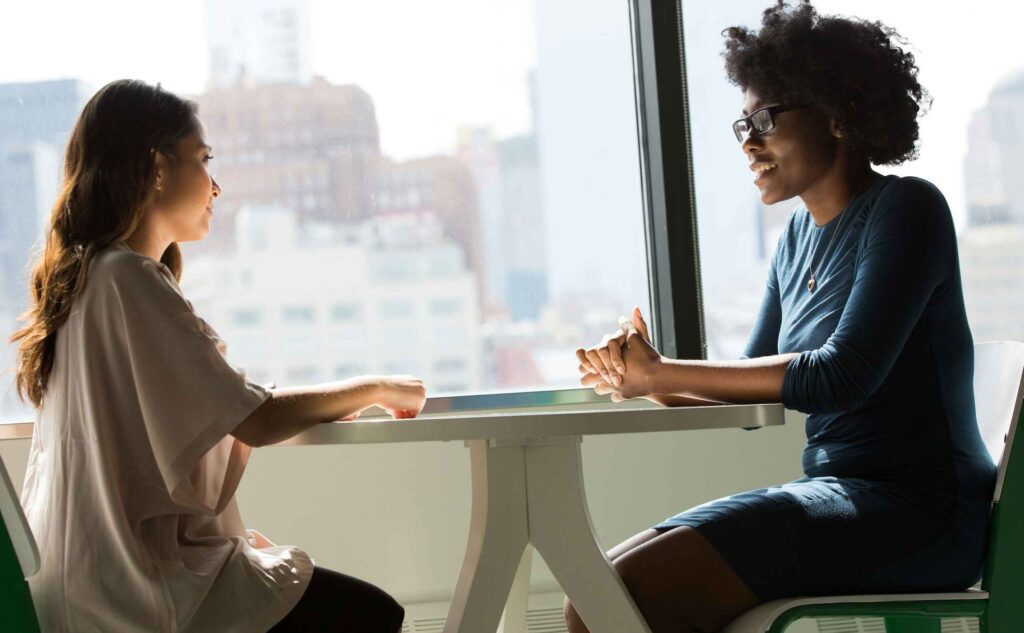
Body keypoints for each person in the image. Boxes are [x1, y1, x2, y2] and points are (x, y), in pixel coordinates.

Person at [569, 2, 997, 632]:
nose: (748, 140)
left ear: (837, 113)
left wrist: (665, 374)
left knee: (622, 605)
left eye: (765, 118)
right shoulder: (794, 239)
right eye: (742, 123)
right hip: (838, 494)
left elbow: (838, 377)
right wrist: (640, 377)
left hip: (921, 510)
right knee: (593, 601)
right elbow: (753, 399)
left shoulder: (908, 209)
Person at [11, 79, 426, 632]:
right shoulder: (126, 278)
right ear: (156, 167)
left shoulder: (87, 280)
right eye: (204, 159)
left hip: (86, 585)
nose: (217, 185)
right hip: (134, 592)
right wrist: (377, 387)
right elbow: (254, 417)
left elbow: (195, 422)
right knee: (372, 614)